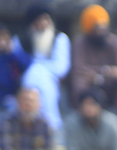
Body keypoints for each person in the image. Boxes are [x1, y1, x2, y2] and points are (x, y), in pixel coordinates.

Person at [71, 5, 117, 134]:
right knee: (79, 83)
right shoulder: (80, 43)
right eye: (96, 26)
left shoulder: (115, 42)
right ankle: (82, 127)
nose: (100, 30)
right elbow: (80, 69)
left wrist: (102, 72)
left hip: (110, 85)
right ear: (89, 27)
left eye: (103, 25)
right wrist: (108, 71)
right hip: (89, 85)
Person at [18, 4, 71, 134]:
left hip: (53, 83)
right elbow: (17, 66)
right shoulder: (20, 41)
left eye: (46, 19)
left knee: (39, 74)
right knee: (33, 75)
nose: (43, 23)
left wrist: (38, 67)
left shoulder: (60, 38)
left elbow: (61, 68)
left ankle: (52, 125)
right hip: (26, 82)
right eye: (39, 20)